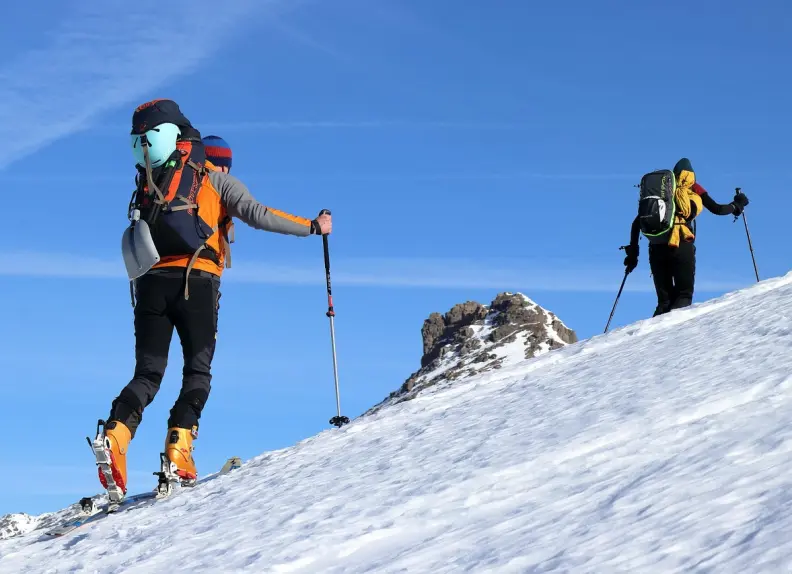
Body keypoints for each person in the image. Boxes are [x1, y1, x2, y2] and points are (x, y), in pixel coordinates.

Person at [97, 99, 332, 498]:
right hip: (197, 283)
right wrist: (313, 226)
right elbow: (259, 214)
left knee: (147, 375)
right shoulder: (217, 181)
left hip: (150, 283)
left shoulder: (156, 179)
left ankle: (116, 438)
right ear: (221, 161)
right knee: (198, 373)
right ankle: (178, 451)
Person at [623, 157, 749, 316]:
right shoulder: (693, 187)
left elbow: (636, 223)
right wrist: (737, 205)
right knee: (683, 295)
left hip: (656, 247)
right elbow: (717, 209)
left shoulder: (664, 192)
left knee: (664, 302)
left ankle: (653, 338)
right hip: (681, 244)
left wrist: (634, 254)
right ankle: (674, 339)